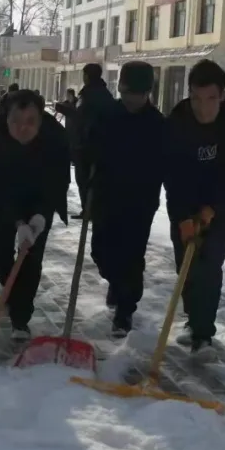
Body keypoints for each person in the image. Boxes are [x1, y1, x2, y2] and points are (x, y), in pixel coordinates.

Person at [165, 59, 225, 360]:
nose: (203, 108)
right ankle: (193, 319)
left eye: (211, 99)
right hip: (184, 203)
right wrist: (184, 216)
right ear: (189, 94)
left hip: (222, 206)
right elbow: (172, 173)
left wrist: (212, 208)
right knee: (186, 266)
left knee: (209, 267)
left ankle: (204, 335)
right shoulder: (178, 119)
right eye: (197, 99)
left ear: (222, 96)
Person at [0, 89, 71, 339]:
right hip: (3, 202)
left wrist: (40, 217)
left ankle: (21, 319)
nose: (23, 129)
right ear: (5, 118)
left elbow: (58, 181)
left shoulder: (56, 139)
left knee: (30, 259)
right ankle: (13, 292)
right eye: (15, 122)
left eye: (31, 122)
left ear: (41, 119)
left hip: (39, 202)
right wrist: (17, 222)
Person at [89, 62, 167, 336]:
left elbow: (165, 165)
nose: (132, 99)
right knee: (101, 252)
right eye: (127, 92)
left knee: (132, 256)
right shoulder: (107, 115)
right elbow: (88, 150)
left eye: (138, 93)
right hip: (106, 197)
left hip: (140, 202)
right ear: (120, 89)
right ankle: (115, 281)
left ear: (147, 93)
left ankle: (125, 311)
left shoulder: (157, 125)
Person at [75, 63, 115, 208]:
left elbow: (84, 118)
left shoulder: (89, 94)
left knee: (85, 180)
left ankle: (88, 209)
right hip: (97, 144)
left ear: (87, 76)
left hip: (88, 145)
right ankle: (89, 208)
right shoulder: (105, 93)